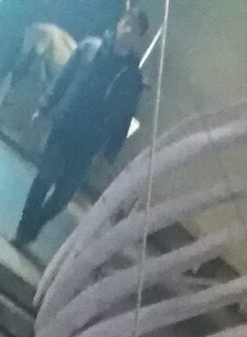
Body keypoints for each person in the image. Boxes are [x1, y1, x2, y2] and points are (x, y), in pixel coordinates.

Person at [13, 8, 148, 253]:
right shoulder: (89, 48)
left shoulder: (131, 77)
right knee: (44, 177)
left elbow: (124, 116)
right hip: (65, 123)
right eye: (126, 22)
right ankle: (23, 231)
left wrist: (110, 152)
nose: (127, 30)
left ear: (139, 38)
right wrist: (44, 107)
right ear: (119, 23)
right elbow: (64, 78)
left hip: (89, 141)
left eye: (134, 28)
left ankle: (34, 226)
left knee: (63, 196)